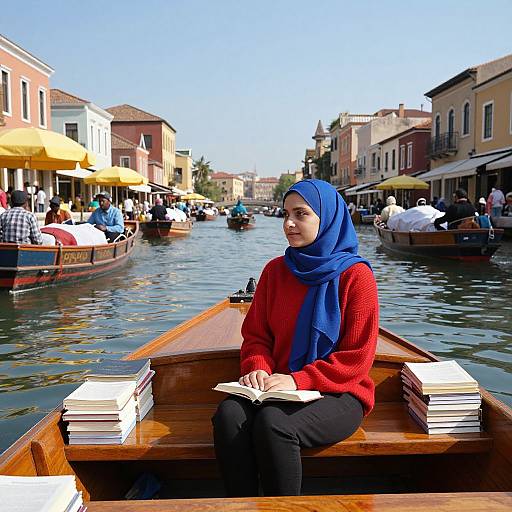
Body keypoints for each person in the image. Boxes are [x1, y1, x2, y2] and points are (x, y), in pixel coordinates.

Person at [212, 179, 378, 497]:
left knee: (274, 423)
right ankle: (241, 505)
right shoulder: (275, 271)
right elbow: (256, 336)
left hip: (342, 393)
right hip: (277, 387)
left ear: (327, 217)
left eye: (301, 214)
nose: (288, 223)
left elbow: (356, 358)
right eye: (287, 214)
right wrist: (257, 367)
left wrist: (298, 381)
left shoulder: (357, 276)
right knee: (228, 415)